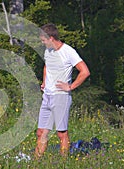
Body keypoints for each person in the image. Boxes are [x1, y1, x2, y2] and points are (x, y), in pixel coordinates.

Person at [35, 23, 90, 158]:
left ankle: (63, 163)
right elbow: (47, 67)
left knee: (61, 133)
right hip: (47, 96)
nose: (43, 43)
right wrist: (44, 82)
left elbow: (85, 71)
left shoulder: (68, 52)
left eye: (43, 40)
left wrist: (70, 87)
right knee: (41, 132)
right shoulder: (48, 51)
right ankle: (35, 162)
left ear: (51, 38)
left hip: (60, 97)